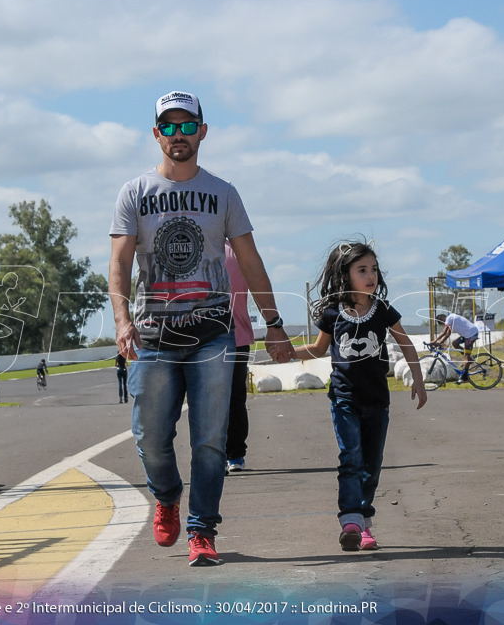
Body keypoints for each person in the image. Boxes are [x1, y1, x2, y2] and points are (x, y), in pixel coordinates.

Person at [109, 90, 294, 567]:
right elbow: (120, 261)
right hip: (153, 336)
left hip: (213, 331)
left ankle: (201, 529)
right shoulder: (135, 193)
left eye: (186, 125)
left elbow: (250, 260)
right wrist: (123, 319)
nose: (178, 135)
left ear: (202, 131)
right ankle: (167, 495)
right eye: (168, 127)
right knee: (150, 435)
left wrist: (274, 323)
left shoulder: (224, 193)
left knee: (210, 438)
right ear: (156, 135)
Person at [292, 241, 427, 552]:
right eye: (362, 270)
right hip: (344, 399)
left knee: (372, 464)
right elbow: (318, 349)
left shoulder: (382, 310)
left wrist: (418, 380)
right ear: (345, 275)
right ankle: (350, 520)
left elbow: (406, 344)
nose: (370, 276)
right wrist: (287, 351)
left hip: (378, 401)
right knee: (350, 457)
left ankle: (365, 523)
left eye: (374, 270)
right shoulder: (332, 313)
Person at [223, 239, 253, 474]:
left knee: (224, 398)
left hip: (233, 334)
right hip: (233, 336)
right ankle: (232, 454)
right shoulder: (240, 251)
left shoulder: (235, 250)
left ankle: (230, 453)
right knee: (234, 398)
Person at [433, 311, 482, 383]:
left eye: (442, 323)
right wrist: (440, 342)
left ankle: (465, 377)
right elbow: (447, 334)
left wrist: (435, 340)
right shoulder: (451, 320)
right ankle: (469, 359)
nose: (444, 324)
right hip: (467, 334)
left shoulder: (449, 318)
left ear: (442, 318)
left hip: (471, 335)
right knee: (455, 343)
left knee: (466, 357)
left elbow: (444, 332)